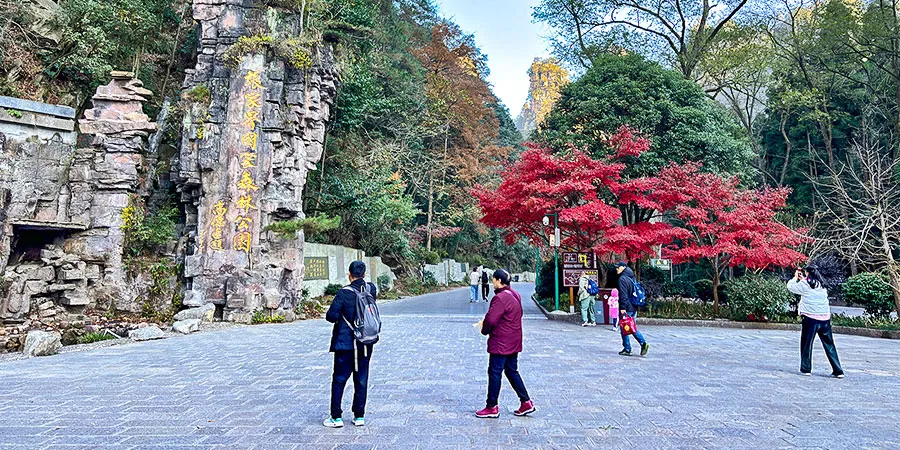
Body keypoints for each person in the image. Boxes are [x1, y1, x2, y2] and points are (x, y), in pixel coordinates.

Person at [324, 261, 378, 428]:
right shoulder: (371, 289)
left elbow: (331, 316)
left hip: (345, 343)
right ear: (364, 274)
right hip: (365, 342)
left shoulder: (344, 293)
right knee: (361, 378)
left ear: (349, 274)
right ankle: (359, 416)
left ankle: (336, 417)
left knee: (339, 379)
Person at [475, 269, 536, 418]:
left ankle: (491, 406)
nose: (493, 282)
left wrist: (484, 329)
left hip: (501, 342)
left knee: (495, 372)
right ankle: (526, 402)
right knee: (511, 371)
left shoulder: (500, 298)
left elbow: (491, 320)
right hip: (514, 340)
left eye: (494, 280)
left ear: (499, 281)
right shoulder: (515, 295)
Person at [787, 265, 844, 378]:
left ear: (807, 273)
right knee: (829, 345)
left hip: (810, 319)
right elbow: (810, 285)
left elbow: (791, 287)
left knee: (807, 344)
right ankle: (838, 371)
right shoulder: (822, 285)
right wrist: (803, 279)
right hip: (824, 319)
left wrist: (795, 278)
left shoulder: (805, 284)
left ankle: (806, 369)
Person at [616, 262, 649, 356]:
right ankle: (643, 343)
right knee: (631, 326)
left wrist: (623, 307)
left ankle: (628, 348)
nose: (616, 269)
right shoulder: (631, 277)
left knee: (624, 327)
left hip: (627, 307)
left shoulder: (622, 279)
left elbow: (623, 295)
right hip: (634, 306)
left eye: (618, 267)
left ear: (623, 267)